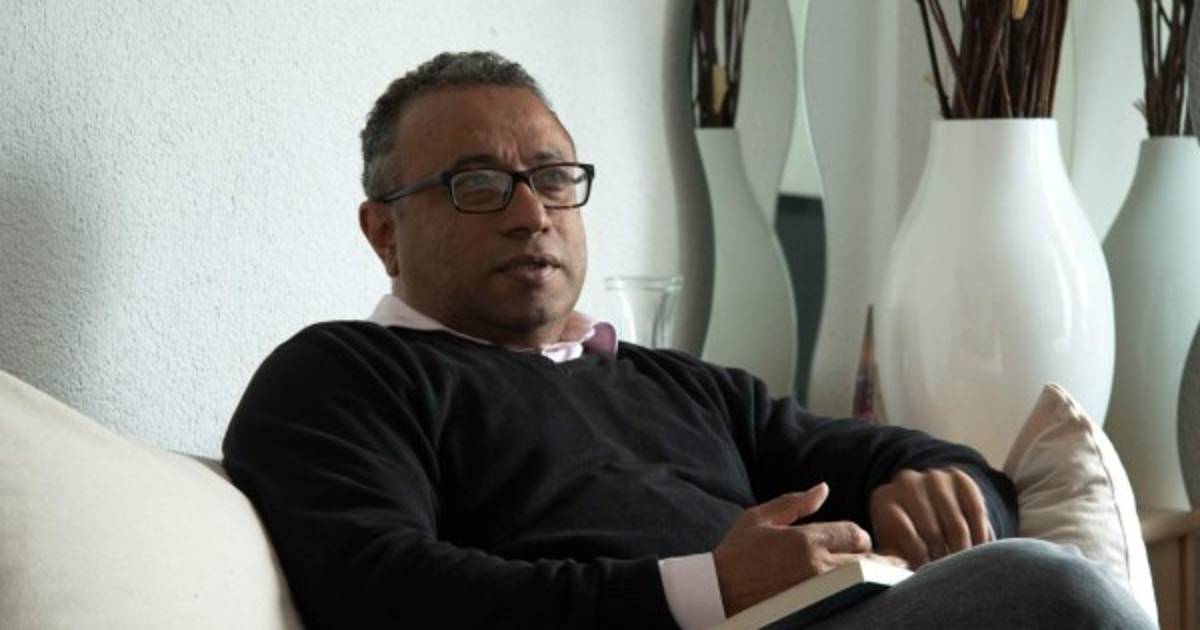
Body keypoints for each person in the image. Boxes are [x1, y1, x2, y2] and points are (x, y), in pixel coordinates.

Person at [222, 51, 1154, 630]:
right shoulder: (340, 376)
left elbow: (891, 457)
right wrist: (703, 590)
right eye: (476, 185)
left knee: (1033, 578)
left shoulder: (677, 382)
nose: (530, 213)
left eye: (553, 177)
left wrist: (947, 484)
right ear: (383, 231)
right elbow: (383, 592)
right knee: (1052, 592)